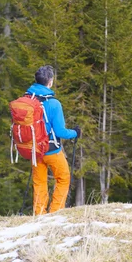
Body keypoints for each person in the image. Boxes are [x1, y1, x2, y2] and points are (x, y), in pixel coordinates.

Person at [26, 65, 80, 215]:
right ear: (50, 82)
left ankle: (40, 214)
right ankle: (55, 212)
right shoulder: (54, 103)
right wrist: (75, 133)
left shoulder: (27, 100)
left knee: (39, 182)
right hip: (51, 150)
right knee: (63, 178)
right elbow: (60, 132)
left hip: (34, 150)